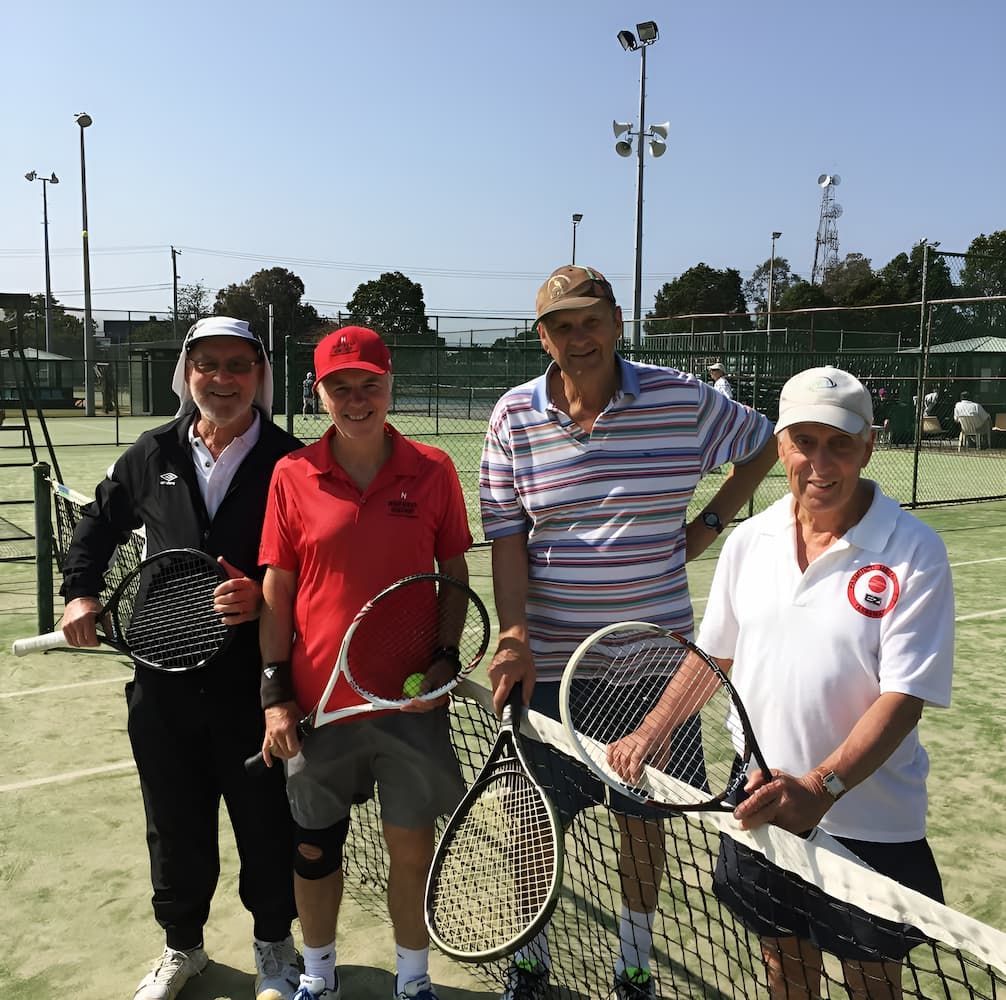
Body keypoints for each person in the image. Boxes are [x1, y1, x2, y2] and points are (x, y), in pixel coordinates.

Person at [480, 265, 778, 1000]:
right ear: (542, 336)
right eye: (560, 326)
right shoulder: (513, 416)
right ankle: (530, 958)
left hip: (656, 668)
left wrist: (707, 524)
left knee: (643, 826)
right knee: (532, 822)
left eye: (591, 321)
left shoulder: (683, 399)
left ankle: (634, 963)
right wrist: (513, 635)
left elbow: (765, 444)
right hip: (549, 670)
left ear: (617, 322)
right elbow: (508, 538)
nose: (578, 339)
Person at [613, 366, 954, 999]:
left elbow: (903, 697)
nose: (820, 463)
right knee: (784, 969)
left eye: (840, 443)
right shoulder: (750, 540)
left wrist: (822, 787)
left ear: (869, 445)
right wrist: (652, 731)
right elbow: (715, 656)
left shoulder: (914, 550)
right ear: (781, 446)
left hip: (870, 824)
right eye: (804, 441)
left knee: (871, 983)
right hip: (761, 804)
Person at [60, 317, 303, 1000]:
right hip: (161, 681)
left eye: (238, 366)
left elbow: (320, 564)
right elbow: (95, 526)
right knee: (173, 824)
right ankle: (183, 948)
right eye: (207, 366)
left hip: (256, 687)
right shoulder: (153, 451)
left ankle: (273, 950)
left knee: (266, 824)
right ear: (185, 373)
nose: (221, 381)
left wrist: (270, 596)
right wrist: (80, 593)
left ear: (259, 375)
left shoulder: (295, 460)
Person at [258, 326, 473, 1000]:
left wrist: (443, 658)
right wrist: (274, 691)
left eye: (369, 384)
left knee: (410, 853)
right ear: (319, 393)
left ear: (389, 384)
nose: (356, 400)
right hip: (320, 705)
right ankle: (318, 977)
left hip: (409, 708)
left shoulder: (434, 470)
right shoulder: (292, 474)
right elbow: (278, 589)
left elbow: (454, 570)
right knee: (316, 853)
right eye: (340, 387)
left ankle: (413, 981)